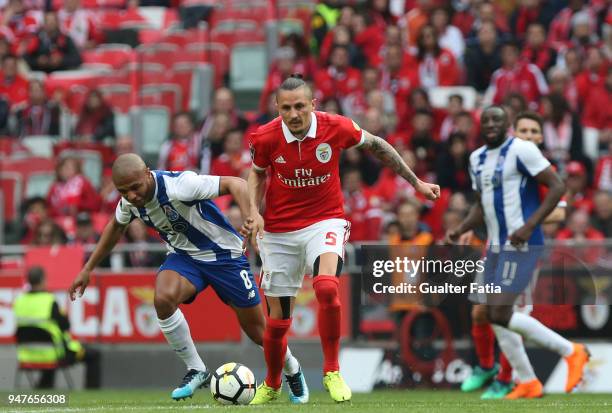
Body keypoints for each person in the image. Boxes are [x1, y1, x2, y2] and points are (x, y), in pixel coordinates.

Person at [243, 74, 439, 404]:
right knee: (277, 322)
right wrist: (254, 211)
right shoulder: (265, 137)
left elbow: (378, 146)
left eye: (300, 107)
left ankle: (332, 371)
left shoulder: (336, 127)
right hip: (278, 232)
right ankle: (273, 383)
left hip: (325, 221)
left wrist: (416, 182)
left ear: (313, 105)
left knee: (326, 287)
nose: (294, 114)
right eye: (287, 108)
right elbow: (257, 173)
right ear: (277, 108)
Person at [68, 154, 305, 402]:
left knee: (258, 332)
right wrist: (87, 269)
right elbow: (116, 226)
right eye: (123, 191)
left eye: (135, 187)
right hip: (186, 257)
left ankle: (291, 369)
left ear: (147, 173)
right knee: (162, 299)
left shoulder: (181, 185)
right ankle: (196, 369)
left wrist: (251, 217)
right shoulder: (129, 203)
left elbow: (237, 183)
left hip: (225, 257)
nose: (131, 196)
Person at [447, 106, 589, 400]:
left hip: (521, 244)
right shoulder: (477, 158)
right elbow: (481, 204)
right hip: (495, 247)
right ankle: (527, 380)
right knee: (486, 312)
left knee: (501, 311)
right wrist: (461, 227)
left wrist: (529, 225)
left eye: (496, 120)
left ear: (507, 124)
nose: (490, 125)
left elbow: (557, 186)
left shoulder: (522, 150)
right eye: (485, 120)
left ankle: (572, 352)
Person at [14, 267, 100, 389]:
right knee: (94, 355)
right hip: (53, 355)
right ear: (43, 280)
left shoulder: (19, 301)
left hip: (27, 355)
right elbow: (65, 326)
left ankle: (43, 389)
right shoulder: (49, 301)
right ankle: (93, 398)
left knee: (48, 341)